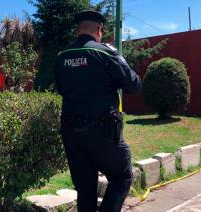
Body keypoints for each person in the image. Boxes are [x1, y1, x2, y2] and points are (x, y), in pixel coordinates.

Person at [53, 10, 141, 212]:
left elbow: (60, 88)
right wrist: (118, 56)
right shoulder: (106, 53)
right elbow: (133, 85)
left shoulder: (61, 56)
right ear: (99, 30)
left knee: (85, 190)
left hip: (72, 132)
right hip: (104, 133)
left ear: (78, 30)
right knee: (122, 176)